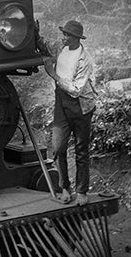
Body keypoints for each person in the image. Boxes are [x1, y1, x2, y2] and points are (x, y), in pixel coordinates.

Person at [42, 19, 97, 206]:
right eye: (63, 34)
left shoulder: (84, 59)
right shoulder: (60, 47)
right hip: (62, 105)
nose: (64, 37)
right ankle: (65, 187)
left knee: (81, 150)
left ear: (76, 39)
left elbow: (75, 89)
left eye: (68, 35)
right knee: (58, 147)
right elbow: (45, 46)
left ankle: (82, 191)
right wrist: (33, 33)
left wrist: (53, 74)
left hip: (81, 106)